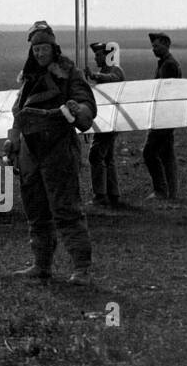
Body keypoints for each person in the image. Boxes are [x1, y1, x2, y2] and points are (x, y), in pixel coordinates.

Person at [8, 26, 97, 284]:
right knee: (36, 209)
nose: (39, 53)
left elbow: (86, 106)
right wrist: (13, 140)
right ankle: (41, 264)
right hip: (30, 150)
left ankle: (81, 268)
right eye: (35, 49)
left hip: (58, 149)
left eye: (43, 48)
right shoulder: (28, 77)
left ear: (53, 49)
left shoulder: (70, 74)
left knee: (66, 208)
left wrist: (77, 108)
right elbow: (19, 112)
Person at [142, 32, 182, 200]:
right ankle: (171, 193)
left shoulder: (168, 65)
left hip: (164, 116)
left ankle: (161, 190)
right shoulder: (166, 63)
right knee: (166, 154)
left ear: (166, 45)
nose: (153, 49)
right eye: (152, 46)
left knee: (149, 152)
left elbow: (165, 91)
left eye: (156, 46)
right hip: (168, 115)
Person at [85, 41, 125, 207]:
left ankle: (100, 195)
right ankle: (113, 194)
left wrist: (94, 76)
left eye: (99, 55)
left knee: (96, 155)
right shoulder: (104, 71)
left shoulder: (115, 70)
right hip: (105, 119)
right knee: (107, 157)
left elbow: (114, 79)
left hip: (112, 119)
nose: (96, 58)